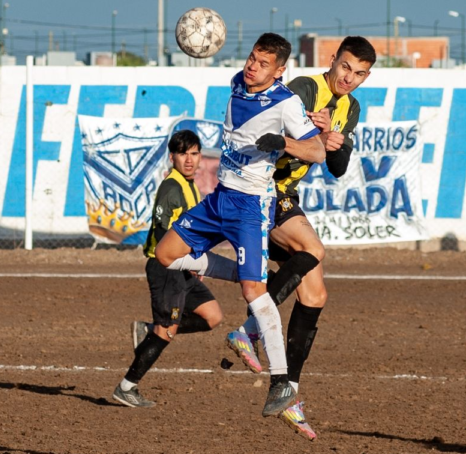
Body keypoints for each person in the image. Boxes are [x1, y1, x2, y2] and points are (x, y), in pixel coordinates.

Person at [154, 33, 325, 418]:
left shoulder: (287, 103)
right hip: (218, 198)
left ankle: (281, 382)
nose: (252, 67)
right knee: (164, 255)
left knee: (254, 293)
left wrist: (283, 142)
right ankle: (247, 274)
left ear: (280, 70)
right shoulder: (237, 81)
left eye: (263, 64)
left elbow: (316, 151)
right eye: (251, 58)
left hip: (250, 207)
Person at [226, 36, 376, 440]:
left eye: (359, 74)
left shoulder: (351, 107)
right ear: (333, 61)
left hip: (284, 195)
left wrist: (335, 143)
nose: (349, 78)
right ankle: (249, 330)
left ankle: (287, 392)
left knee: (315, 296)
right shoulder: (307, 88)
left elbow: (337, 167)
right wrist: (311, 134)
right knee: (312, 249)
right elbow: (267, 130)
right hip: (259, 188)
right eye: (345, 67)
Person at [112, 130, 224, 408]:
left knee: (212, 316)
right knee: (167, 331)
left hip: (183, 266)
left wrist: (193, 258)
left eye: (194, 153)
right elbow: (164, 239)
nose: (189, 159)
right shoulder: (171, 187)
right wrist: (189, 258)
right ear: (172, 156)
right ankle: (127, 387)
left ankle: (148, 329)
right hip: (166, 268)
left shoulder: (190, 185)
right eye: (183, 153)